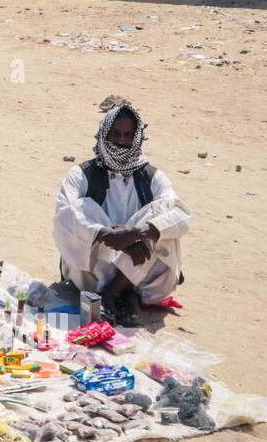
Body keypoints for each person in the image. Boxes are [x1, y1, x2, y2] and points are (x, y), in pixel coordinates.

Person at [53, 101, 192, 327]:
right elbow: (62, 215)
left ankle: (112, 292)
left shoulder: (151, 176)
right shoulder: (82, 174)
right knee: (79, 208)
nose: (121, 141)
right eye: (115, 134)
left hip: (145, 271)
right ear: (103, 133)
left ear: (137, 138)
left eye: (128, 135)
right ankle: (124, 293)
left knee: (160, 214)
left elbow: (183, 217)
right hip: (91, 273)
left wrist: (136, 232)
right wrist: (108, 235)